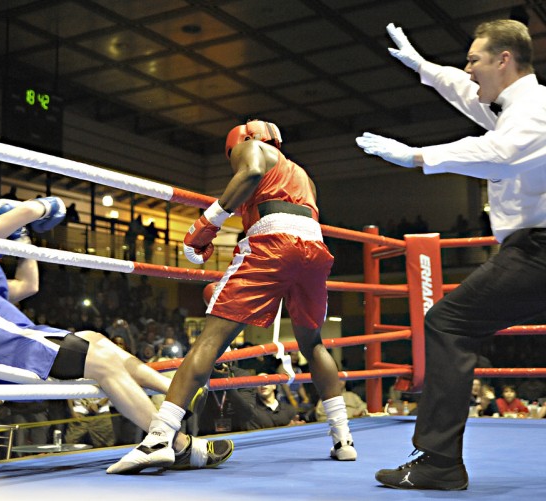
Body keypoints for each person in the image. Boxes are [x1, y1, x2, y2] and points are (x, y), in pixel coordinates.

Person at [356, 20, 546, 490]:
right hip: (532, 249)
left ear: (504, 60)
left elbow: (499, 153)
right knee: (453, 321)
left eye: (474, 58)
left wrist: (419, 157)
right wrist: (423, 66)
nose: (468, 68)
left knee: (449, 322)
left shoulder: (536, 110)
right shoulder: (514, 105)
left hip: (538, 250)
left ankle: (440, 462)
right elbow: (464, 90)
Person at [115, 119, 357, 474]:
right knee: (313, 344)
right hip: (315, 250)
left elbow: (252, 174)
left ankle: (159, 438)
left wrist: (206, 224)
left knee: (207, 343)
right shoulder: (302, 175)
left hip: (274, 245)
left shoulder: (253, 148)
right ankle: (343, 439)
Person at [0, 196, 232, 474]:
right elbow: (27, 210)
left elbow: (29, 286)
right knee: (99, 361)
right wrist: (47, 206)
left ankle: (173, 390)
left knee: (96, 341)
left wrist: (23, 237)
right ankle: (172, 443)